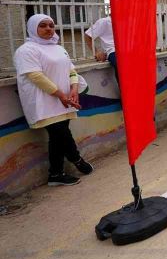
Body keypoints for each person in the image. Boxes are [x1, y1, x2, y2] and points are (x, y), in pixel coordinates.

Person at [14, 14, 94, 185]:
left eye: (51, 25)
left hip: (65, 100)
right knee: (61, 133)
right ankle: (76, 159)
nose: (49, 29)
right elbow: (35, 76)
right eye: (43, 26)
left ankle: (55, 174)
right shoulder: (26, 50)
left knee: (58, 138)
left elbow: (71, 71)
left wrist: (74, 90)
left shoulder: (58, 48)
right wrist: (61, 95)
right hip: (45, 102)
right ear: (32, 28)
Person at [84, 14, 118, 82]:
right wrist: (96, 52)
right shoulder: (104, 21)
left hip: (128, 51)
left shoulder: (127, 21)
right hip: (113, 51)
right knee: (122, 67)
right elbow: (88, 35)